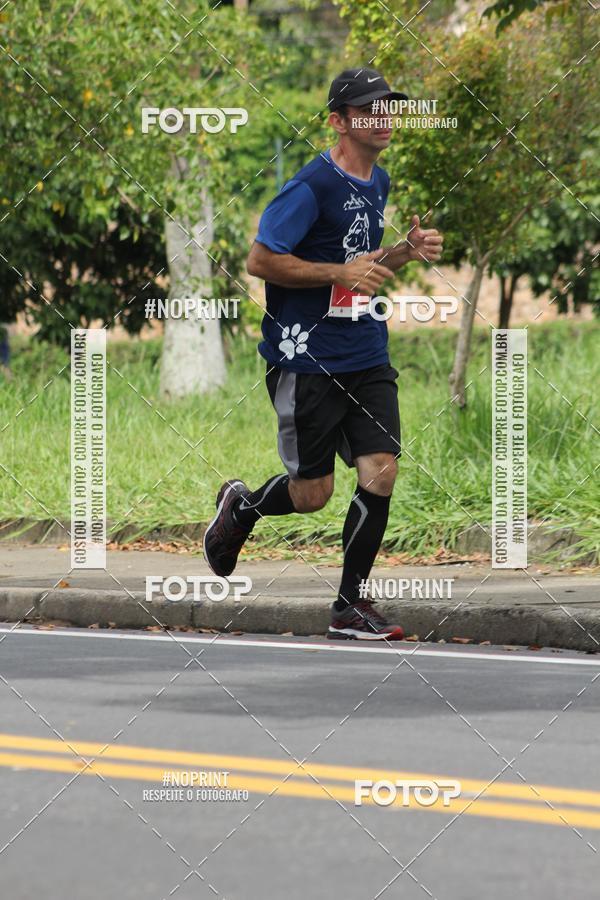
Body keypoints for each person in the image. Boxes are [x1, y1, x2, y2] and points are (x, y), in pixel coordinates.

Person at [204, 67, 443, 640]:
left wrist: (404, 252)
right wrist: (338, 270)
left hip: (365, 351)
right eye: (368, 108)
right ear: (338, 121)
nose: (383, 117)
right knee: (313, 495)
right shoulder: (310, 187)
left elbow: (360, 268)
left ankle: (349, 607)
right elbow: (261, 260)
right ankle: (242, 508)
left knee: (380, 470)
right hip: (305, 359)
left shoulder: (376, 182)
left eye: (388, 107)